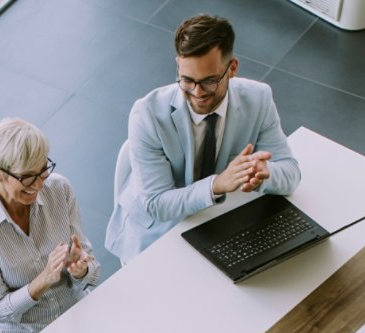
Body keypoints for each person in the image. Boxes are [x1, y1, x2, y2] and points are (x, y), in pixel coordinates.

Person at [106, 14, 301, 263]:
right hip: (156, 232)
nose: (197, 93)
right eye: (187, 80)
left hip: (218, 223)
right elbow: (156, 203)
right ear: (178, 65)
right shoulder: (147, 114)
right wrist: (217, 184)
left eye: (209, 81)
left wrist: (265, 173)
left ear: (232, 69)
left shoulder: (258, 99)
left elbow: (291, 174)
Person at [0, 117, 100, 333]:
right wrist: (42, 281)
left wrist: (80, 270)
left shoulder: (59, 189)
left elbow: (92, 273)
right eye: (27, 177)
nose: (39, 184)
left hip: (75, 315)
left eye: (43, 169)